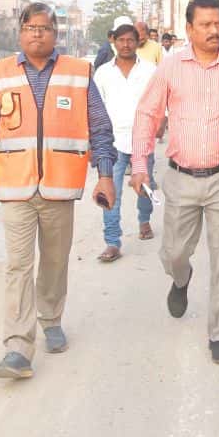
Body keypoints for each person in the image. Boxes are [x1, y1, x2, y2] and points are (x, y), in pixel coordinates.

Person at [0, 2, 117, 380]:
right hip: (16, 188)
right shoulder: (0, 73)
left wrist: (104, 174)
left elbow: (99, 127)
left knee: (54, 261)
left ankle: (50, 319)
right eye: (30, 27)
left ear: (56, 34)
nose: (37, 33)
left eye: (45, 28)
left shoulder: (78, 73)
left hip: (59, 188)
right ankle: (18, 346)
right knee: (18, 265)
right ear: (20, 32)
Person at [130, 0, 219, 366]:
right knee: (174, 252)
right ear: (189, 29)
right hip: (181, 179)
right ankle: (180, 279)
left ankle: (218, 333)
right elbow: (147, 114)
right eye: (204, 25)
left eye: (218, 23)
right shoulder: (171, 68)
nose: (214, 31)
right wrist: (139, 164)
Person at [94, 22, 157, 262]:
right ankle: (112, 241)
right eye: (121, 40)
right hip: (111, 142)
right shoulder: (103, 73)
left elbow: (159, 101)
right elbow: (95, 107)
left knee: (144, 189)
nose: (126, 44)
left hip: (143, 140)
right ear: (114, 42)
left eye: (130, 40)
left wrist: (159, 124)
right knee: (111, 192)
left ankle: (144, 220)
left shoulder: (150, 70)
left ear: (137, 42)